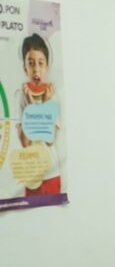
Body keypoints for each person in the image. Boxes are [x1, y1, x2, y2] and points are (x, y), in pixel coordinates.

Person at [17, 32, 61, 195]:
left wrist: (46, 104)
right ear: (25, 68)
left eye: (40, 63)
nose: (36, 69)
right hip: (31, 175)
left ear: (47, 67)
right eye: (31, 63)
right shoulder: (22, 97)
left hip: (52, 174)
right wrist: (30, 106)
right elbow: (25, 143)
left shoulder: (53, 97)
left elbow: (50, 141)